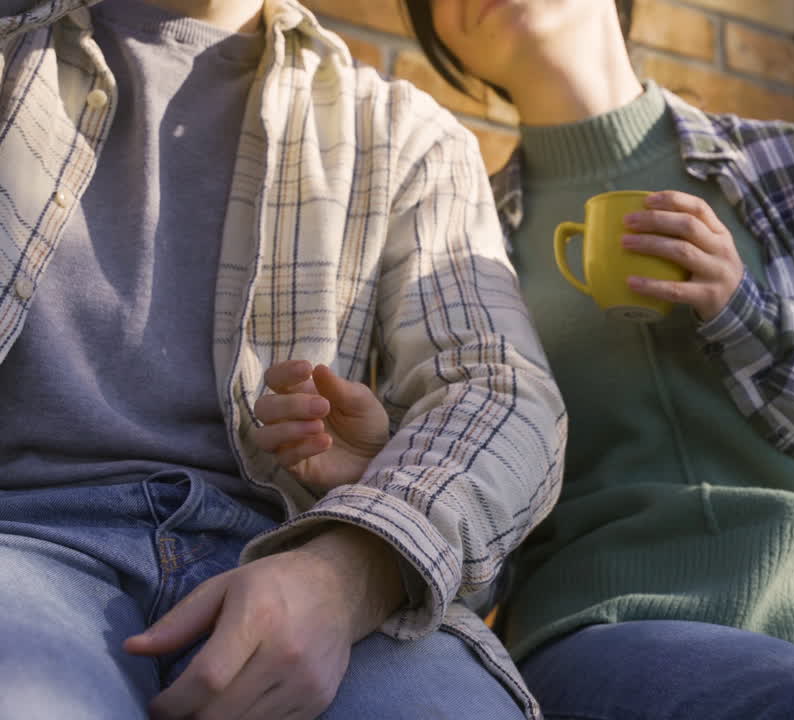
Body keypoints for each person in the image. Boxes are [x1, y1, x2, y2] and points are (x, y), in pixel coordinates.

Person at [265, 1, 794, 719]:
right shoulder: (461, 245)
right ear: (445, 38)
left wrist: (753, 321)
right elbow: (479, 557)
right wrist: (386, 472)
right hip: (601, 632)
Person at [0, 0, 566, 719]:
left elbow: (501, 390)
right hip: (22, 550)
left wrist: (351, 570)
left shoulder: (404, 134)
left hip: (314, 564)